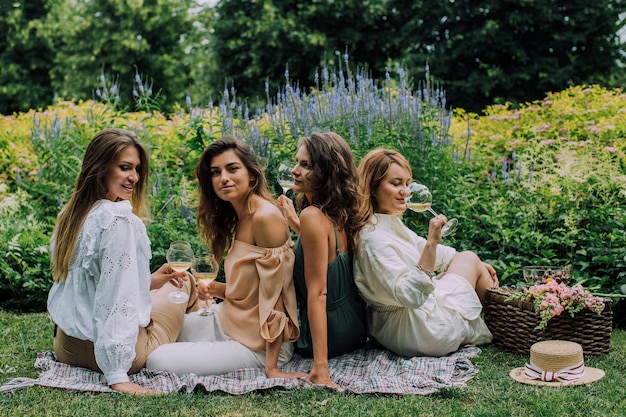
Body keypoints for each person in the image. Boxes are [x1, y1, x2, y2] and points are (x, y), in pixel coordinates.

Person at [47, 128, 197, 395]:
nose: (135, 178)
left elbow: (95, 284)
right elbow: (116, 300)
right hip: (114, 360)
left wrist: (150, 280)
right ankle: (205, 327)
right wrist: (118, 375)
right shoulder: (119, 220)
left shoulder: (69, 216)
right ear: (100, 168)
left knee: (164, 282)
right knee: (185, 284)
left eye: (137, 169)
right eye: (125, 168)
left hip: (67, 347)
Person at [146, 136, 305, 379]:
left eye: (232, 169)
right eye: (216, 172)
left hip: (259, 343)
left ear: (251, 175)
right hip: (229, 320)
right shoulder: (240, 214)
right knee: (157, 330)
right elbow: (249, 290)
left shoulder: (265, 217)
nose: (224, 178)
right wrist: (215, 289)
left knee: (156, 358)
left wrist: (272, 368)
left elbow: (278, 297)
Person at [353, 148, 498, 358]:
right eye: (395, 184)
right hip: (418, 331)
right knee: (469, 259)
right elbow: (412, 296)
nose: (405, 191)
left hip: (400, 327)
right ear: (372, 187)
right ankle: (500, 325)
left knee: (468, 259)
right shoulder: (373, 239)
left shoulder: (388, 224)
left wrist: (475, 266)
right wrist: (433, 243)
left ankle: (495, 322)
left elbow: (433, 253)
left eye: (406, 183)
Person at [278, 132, 368, 388]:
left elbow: (318, 293)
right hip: (355, 327)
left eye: (305, 165)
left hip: (325, 336)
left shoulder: (312, 216)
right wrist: (295, 223)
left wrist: (320, 368)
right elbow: (326, 251)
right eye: (297, 162)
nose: (295, 170)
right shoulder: (339, 213)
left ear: (327, 172)